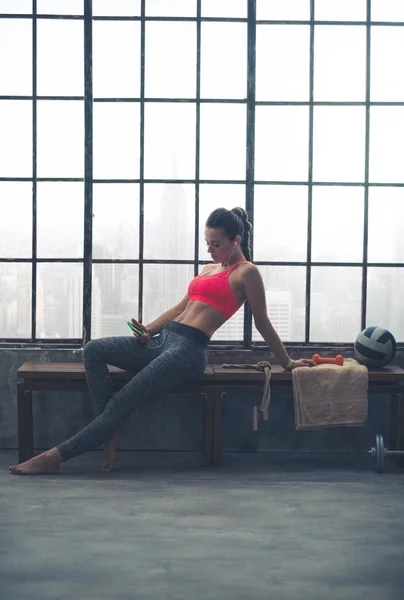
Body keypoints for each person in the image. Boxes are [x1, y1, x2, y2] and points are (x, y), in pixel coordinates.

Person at [10, 207, 315, 475]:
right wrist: (149, 330)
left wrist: (287, 362)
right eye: (207, 243)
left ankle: (54, 457)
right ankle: (109, 431)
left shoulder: (247, 273)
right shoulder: (209, 269)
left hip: (188, 351)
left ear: (236, 240)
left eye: (216, 244)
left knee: (121, 402)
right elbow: (180, 308)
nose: (210, 250)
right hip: (163, 341)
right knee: (94, 350)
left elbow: (262, 322)